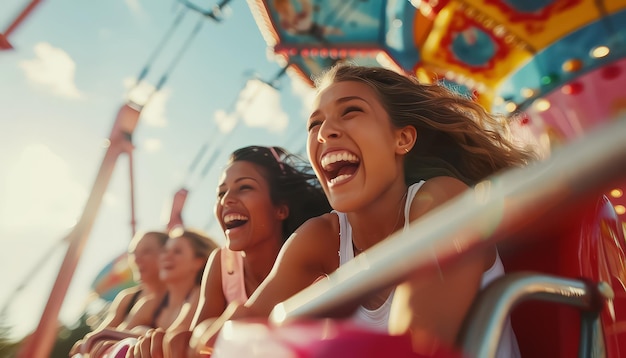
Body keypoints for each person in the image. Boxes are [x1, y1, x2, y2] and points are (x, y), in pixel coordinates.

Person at [190, 63, 536, 357]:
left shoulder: (441, 199)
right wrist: (194, 339)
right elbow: (240, 329)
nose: (325, 132)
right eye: (314, 124)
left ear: (402, 139)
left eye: (351, 111)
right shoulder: (321, 237)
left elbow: (417, 343)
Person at [137, 145, 331, 358]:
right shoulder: (221, 262)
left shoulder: (311, 245)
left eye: (244, 187)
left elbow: (234, 323)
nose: (226, 199)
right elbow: (196, 338)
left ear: (280, 209)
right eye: (221, 192)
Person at [76, 228, 218, 358]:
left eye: (177, 252)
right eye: (165, 251)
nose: (166, 257)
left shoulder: (197, 295)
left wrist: (121, 335)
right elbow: (110, 336)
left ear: (198, 262)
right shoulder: (149, 302)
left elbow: (176, 340)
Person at [70, 230, 169, 357]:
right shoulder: (127, 298)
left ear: (165, 254)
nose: (136, 259)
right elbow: (98, 336)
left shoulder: (175, 298)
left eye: (146, 252)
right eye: (133, 253)